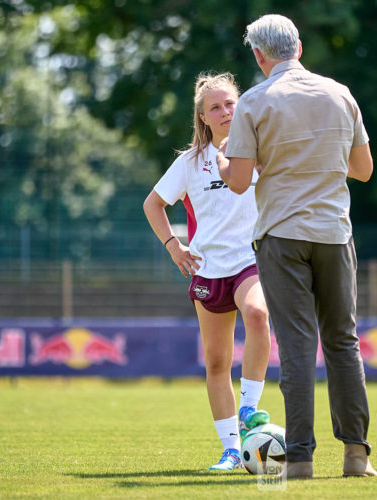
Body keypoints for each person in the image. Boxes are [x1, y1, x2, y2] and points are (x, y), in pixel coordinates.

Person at [217, 14, 377, 479]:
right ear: (300, 47)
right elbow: (363, 169)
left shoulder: (252, 102)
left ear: (258, 56)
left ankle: (301, 460)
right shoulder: (340, 94)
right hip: (334, 233)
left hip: (283, 236)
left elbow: (240, 181)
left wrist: (227, 159)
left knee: (297, 346)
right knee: (344, 343)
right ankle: (356, 457)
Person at [143, 72, 271, 471]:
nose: (225, 111)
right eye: (215, 106)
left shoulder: (259, 152)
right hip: (206, 270)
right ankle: (232, 450)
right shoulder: (189, 163)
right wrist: (173, 246)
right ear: (203, 117)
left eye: (230, 103)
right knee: (216, 364)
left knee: (258, 313)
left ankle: (250, 408)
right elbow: (153, 205)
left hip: (249, 261)